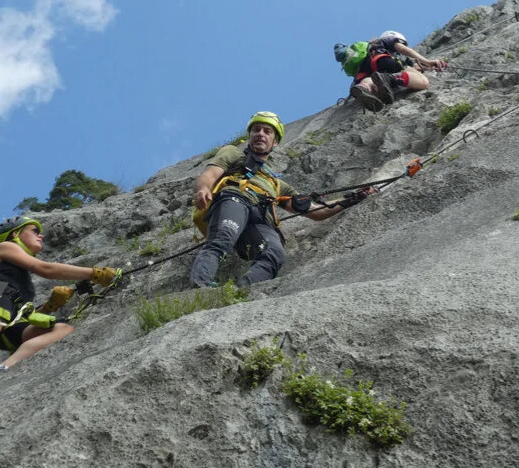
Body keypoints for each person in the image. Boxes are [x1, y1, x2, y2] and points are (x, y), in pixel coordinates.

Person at [0, 217, 120, 407]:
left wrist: (50, 307)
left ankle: (4, 369)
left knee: (62, 329)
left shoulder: (16, 273)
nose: (41, 235)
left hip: (7, 318)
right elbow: (45, 268)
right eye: (34, 231)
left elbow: (19, 316)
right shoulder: (5, 247)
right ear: (15, 234)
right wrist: (96, 273)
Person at [189, 111, 373, 288]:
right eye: (256, 130)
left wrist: (352, 198)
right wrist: (203, 189)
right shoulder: (233, 154)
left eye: (267, 131)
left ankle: (239, 292)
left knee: (275, 254)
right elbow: (209, 174)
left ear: (275, 142)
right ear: (250, 135)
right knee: (223, 237)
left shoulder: (277, 184)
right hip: (236, 198)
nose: (260, 134)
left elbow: (316, 211)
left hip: (262, 218)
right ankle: (200, 285)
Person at [334, 31, 447, 112]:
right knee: (423, 81)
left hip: (364, 72)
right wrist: (427, 61)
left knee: (370, 80)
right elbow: (403, 50)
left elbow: (414, 66)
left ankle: (364, 88)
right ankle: (390, 79)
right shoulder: (387, 40)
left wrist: (420, 67)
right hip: (383, 61)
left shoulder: (369, 48)